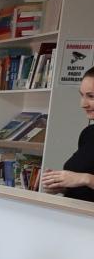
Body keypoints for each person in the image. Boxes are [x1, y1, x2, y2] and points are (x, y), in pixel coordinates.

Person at [41, 67, 94, 200]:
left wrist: (85, 178)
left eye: (91, 96)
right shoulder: (88, 133)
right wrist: (61, 186)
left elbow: (84, 179)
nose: (83, 104)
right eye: (82, 95)